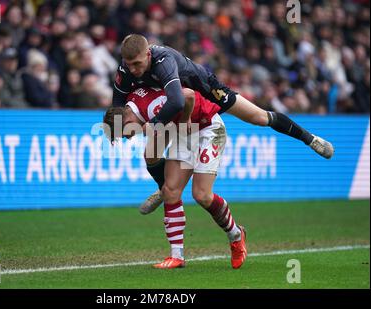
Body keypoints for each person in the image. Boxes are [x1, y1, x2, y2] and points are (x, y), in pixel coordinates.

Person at [111, 34, 335, 214]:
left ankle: (310, 139)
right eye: (129, 65)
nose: (133, 70)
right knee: (150, 153)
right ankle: (164, 189)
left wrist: (154, 124)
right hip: (178, 109)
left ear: (148, 54)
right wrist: (118, 128)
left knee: (259, 117)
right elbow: (118, 103)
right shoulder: (126, 68)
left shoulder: (163, 61)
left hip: (205, 91)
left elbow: (178, 99)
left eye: (137, 64)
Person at [103, 86, 247, 269]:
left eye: (125, 135)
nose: (129, 138)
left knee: (202, 195)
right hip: (184, 132)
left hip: (207, 126)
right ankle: (177, 256)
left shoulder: (151, 108)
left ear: (126, 120)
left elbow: (188, 95)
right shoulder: (133, 103)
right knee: (171, 191)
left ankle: (236, 235)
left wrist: (185, 118)